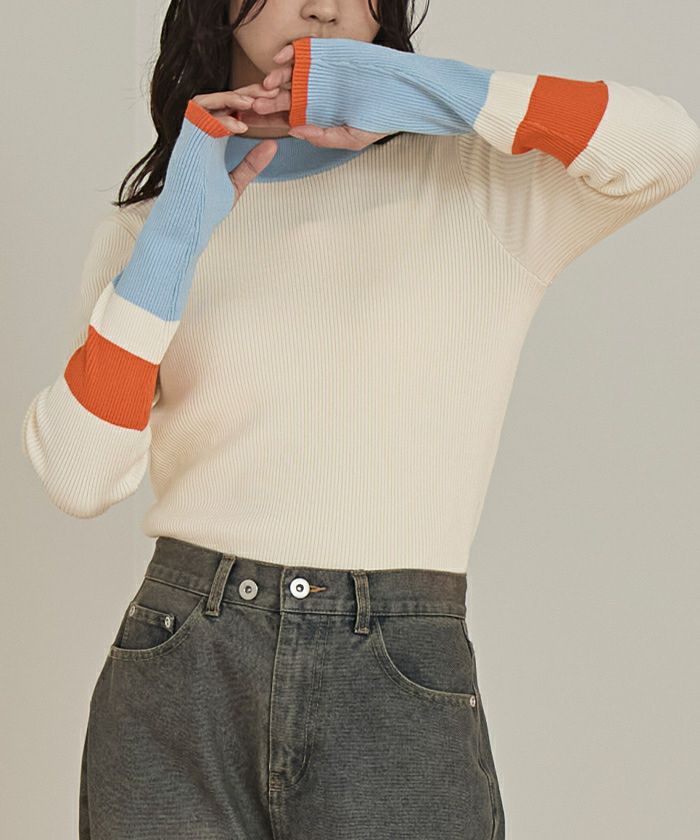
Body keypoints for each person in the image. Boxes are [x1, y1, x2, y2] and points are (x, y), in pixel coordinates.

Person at [20, 1, 699, 838]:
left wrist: (420, 92)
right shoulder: (149, 232)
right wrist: (173, 238)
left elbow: (667, 146)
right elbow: (80, 475)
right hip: (181, 668)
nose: (326, 6)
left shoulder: (477, 185)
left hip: (394, 675)